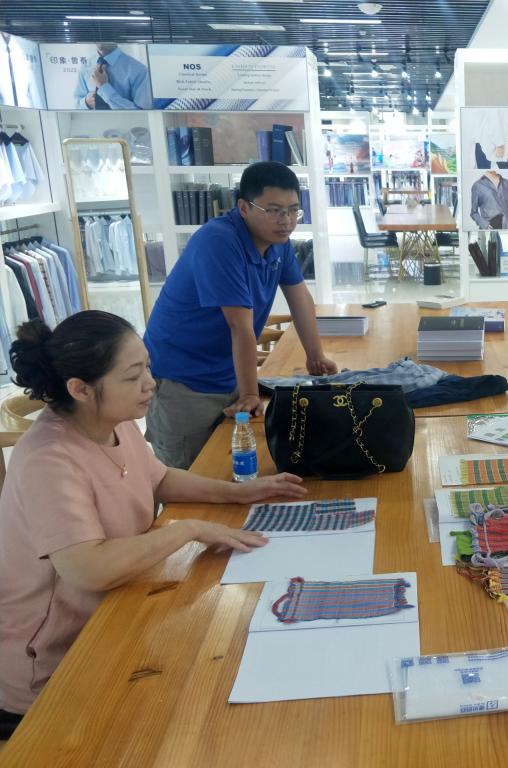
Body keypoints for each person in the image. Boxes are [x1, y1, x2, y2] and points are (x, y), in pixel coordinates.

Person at [0, 311, 305, 736]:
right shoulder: (48, 459)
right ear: (80, 389)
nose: (151, 383)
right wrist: (187, 530)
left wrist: (238, 492)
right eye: (132, 376)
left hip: (115, 618)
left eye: (147, 366)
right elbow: (88, 568)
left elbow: (158, 478)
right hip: (53, 668)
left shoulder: (113, 423)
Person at [143, 161, 337, 469]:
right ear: (244, 207)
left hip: (229, 371)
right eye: (274, 210)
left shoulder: (278, 242)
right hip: (184, 380)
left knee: (233, 468)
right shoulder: (219, 241)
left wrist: (316, 357)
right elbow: (239, 326)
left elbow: (300, 298)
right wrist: (249, 393)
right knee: (191, 476)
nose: (286, 221)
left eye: (293, 210)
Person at [73, 44, 152, 110]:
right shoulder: (85, 66)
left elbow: (144, 113)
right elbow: (76, 104)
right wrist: (86, 102)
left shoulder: (139, 70)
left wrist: (104, 88)